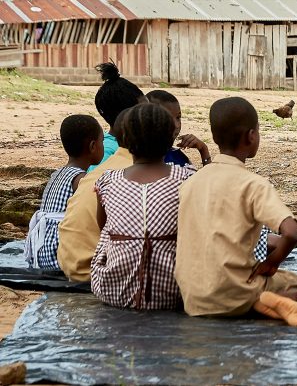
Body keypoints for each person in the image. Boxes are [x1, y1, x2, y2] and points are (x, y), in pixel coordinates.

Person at [175, 97, 297, 326]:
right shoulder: (253, 184)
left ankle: (264, 305)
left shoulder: (191, 182)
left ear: (214, 136)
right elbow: (292, 233)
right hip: (237, 293)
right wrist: (272, 263)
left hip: (192, 297)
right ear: (251, 136)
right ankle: (265, 302)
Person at [90, 103, 195, 309]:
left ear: (125, 141)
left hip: (112, 291)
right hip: (175, 294)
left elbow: (101, 225)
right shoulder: (187, 178)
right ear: (170, 139)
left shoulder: (108, 180)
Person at [58, 65, 147, 282]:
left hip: (72, 261)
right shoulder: (121, 167)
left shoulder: (112, 159)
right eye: (147, 112)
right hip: (94, 270)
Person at [25, 115, 103, 270]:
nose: (103, 145)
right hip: (58, 252)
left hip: (40, 250)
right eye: (102, 141)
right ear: (93, 146)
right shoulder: (80, 180)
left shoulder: (58, 173)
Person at [88, 61, 146, 171]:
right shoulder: (106, 152)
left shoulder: (138, 145)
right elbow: (91, 184)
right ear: (126, 117)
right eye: (145, 112)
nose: (151, 116)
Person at [146, 90, 212, 166]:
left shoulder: (177, 156)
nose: (177, 125)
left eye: (178, 117)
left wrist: (203, 149)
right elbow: (209, 178)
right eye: (168, 118)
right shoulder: (147, 161)